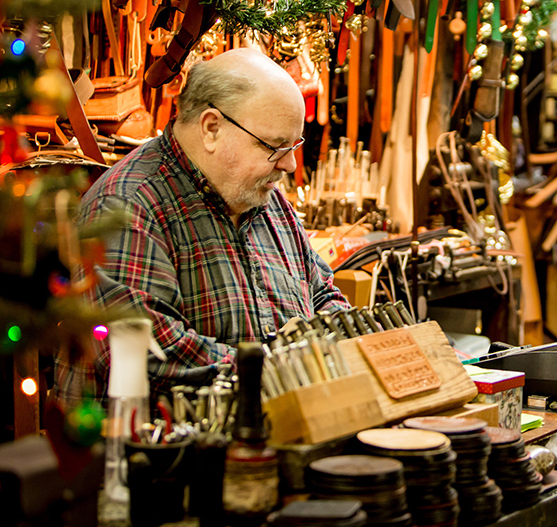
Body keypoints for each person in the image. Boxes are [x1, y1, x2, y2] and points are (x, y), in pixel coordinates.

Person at [54, 48, 350, 404]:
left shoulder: (261, 196)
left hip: (273, 426)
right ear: (212, 129)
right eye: (275, 146)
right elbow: (148, 353)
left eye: (294, 145)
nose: (289, 164)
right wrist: (283, 372)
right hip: (148, 449)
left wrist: (350, 339)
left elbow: (322, 293)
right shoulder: (127, 206)